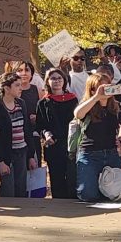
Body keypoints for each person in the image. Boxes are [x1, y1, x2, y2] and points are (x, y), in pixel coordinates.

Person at [73, 66, 121, 202]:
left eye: (108, 86)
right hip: (89, 154)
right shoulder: (88, 105)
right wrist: (96, 97)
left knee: (112, 193)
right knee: (88, 194)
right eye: (101, 87)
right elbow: (78, 114)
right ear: (92, 89)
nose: (106, 89)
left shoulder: (115, 106)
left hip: (111, 152)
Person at [0, 72, 37, 198]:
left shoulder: (21, 104)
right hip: (6, 155)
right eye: (17, 85)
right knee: (8, 189)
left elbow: (27, 130)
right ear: (7, 88)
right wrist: (0, 161)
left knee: (21, 188)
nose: (21, 88)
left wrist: (31, 155)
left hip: (22, 151)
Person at [36, 68, 78, 199]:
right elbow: (40, 125)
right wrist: (46, 134)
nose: (57, 81)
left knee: (72, 177)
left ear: (64, 81)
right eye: (53, 78)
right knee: (57, 179)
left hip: (71, 144)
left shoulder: (73, 99)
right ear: (48, 81)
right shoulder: (43, 103)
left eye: (59, 78)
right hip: (53, 145)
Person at [14, 61, 42, 166]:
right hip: (17, 134)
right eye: (20, 70)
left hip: (33, 133)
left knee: (35, 164)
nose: (24, 73)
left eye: (27, 70)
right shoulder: (12, 91)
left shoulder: (36, 89)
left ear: (32, 73)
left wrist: (37, 117)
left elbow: (42, 110)